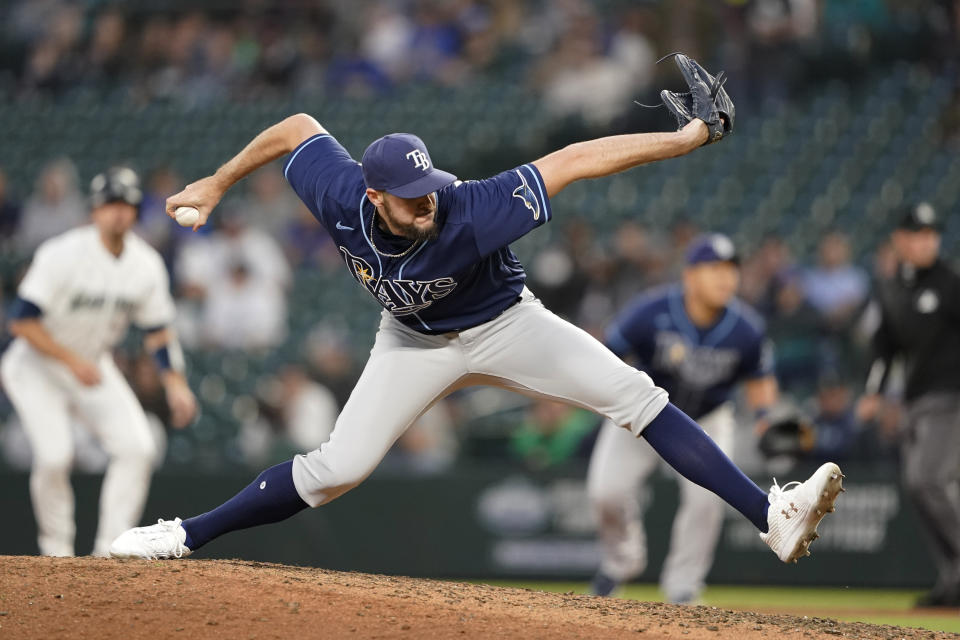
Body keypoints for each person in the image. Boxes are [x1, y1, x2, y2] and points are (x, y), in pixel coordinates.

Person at [109, 108, 842, 564]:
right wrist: (218, 180)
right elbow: (297, 127)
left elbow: (574, 160)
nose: (426, 200)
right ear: (373, 196)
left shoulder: (468, 206)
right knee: (336, 469)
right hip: (411, 343)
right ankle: (184, 535)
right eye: (409, 195)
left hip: (505, 324)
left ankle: (769, 517)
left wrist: (683, 139)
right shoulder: (339, 191)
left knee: (637, 395)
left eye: (429, 184)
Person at [0, 167, 197, 557]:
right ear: (94, 211)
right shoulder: (62, 253)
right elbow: (21, 322)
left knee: (138, 447)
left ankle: (109, 552)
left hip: (91, 364)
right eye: (110, 204)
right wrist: (70, 360)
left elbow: (157, 331)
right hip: (36, 365)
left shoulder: (146, 264)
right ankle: (55, 553)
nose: (118, 212)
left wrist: (174, 382)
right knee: (56, 455)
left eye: (126, 205)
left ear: (137, 212)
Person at [586, 234, 778, 602]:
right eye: (715, 269)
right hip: (645, 413)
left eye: (731, 269)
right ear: (689, 276)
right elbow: (607, 354)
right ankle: (620, 562)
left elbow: (760, 378)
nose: (726, 278)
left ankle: (684, 586)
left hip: (709, 418)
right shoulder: (652, 309)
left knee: (707, 500)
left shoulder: (746, 326)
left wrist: (766, 417)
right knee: (605, 493)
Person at [858, 203, 960, 608]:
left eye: (931, 234)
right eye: (917, 234)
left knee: (927, 479)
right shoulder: (893, 288)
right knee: (919, 490)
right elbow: (884, 349)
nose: (925, 241)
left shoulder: (951, 281)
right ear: (900, 240)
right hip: (916, 401)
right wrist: (872, 392)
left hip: (952, 395)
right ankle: (953, 579)